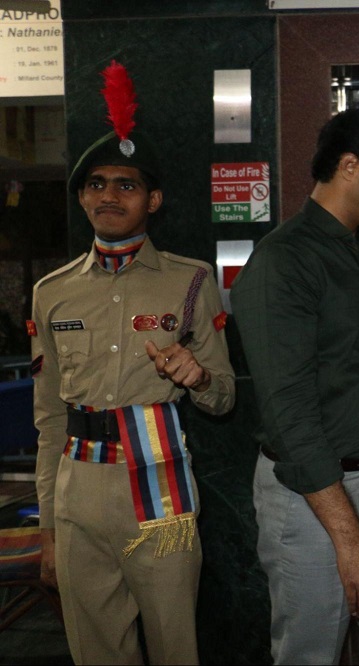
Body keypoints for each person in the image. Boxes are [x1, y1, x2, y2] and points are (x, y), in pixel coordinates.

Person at [29, 61, 236, 665]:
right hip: (78, 492)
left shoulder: (191, 280)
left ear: (154, 199)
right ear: (81, 197)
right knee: (95, 652)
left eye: (125, 185)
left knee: (175, 646)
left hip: (159, 486)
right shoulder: (52, 292)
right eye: (95, 184)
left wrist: (198, 377)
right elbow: (48, 417)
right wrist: (49, 525)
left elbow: (225, 396)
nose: (108, 195)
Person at [230, 106, 359, 665]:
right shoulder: (284, 262)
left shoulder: (354, 251)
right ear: (349, 166)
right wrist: (348, 537)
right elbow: (289, 415)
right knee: (310, 652)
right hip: (316, 494)